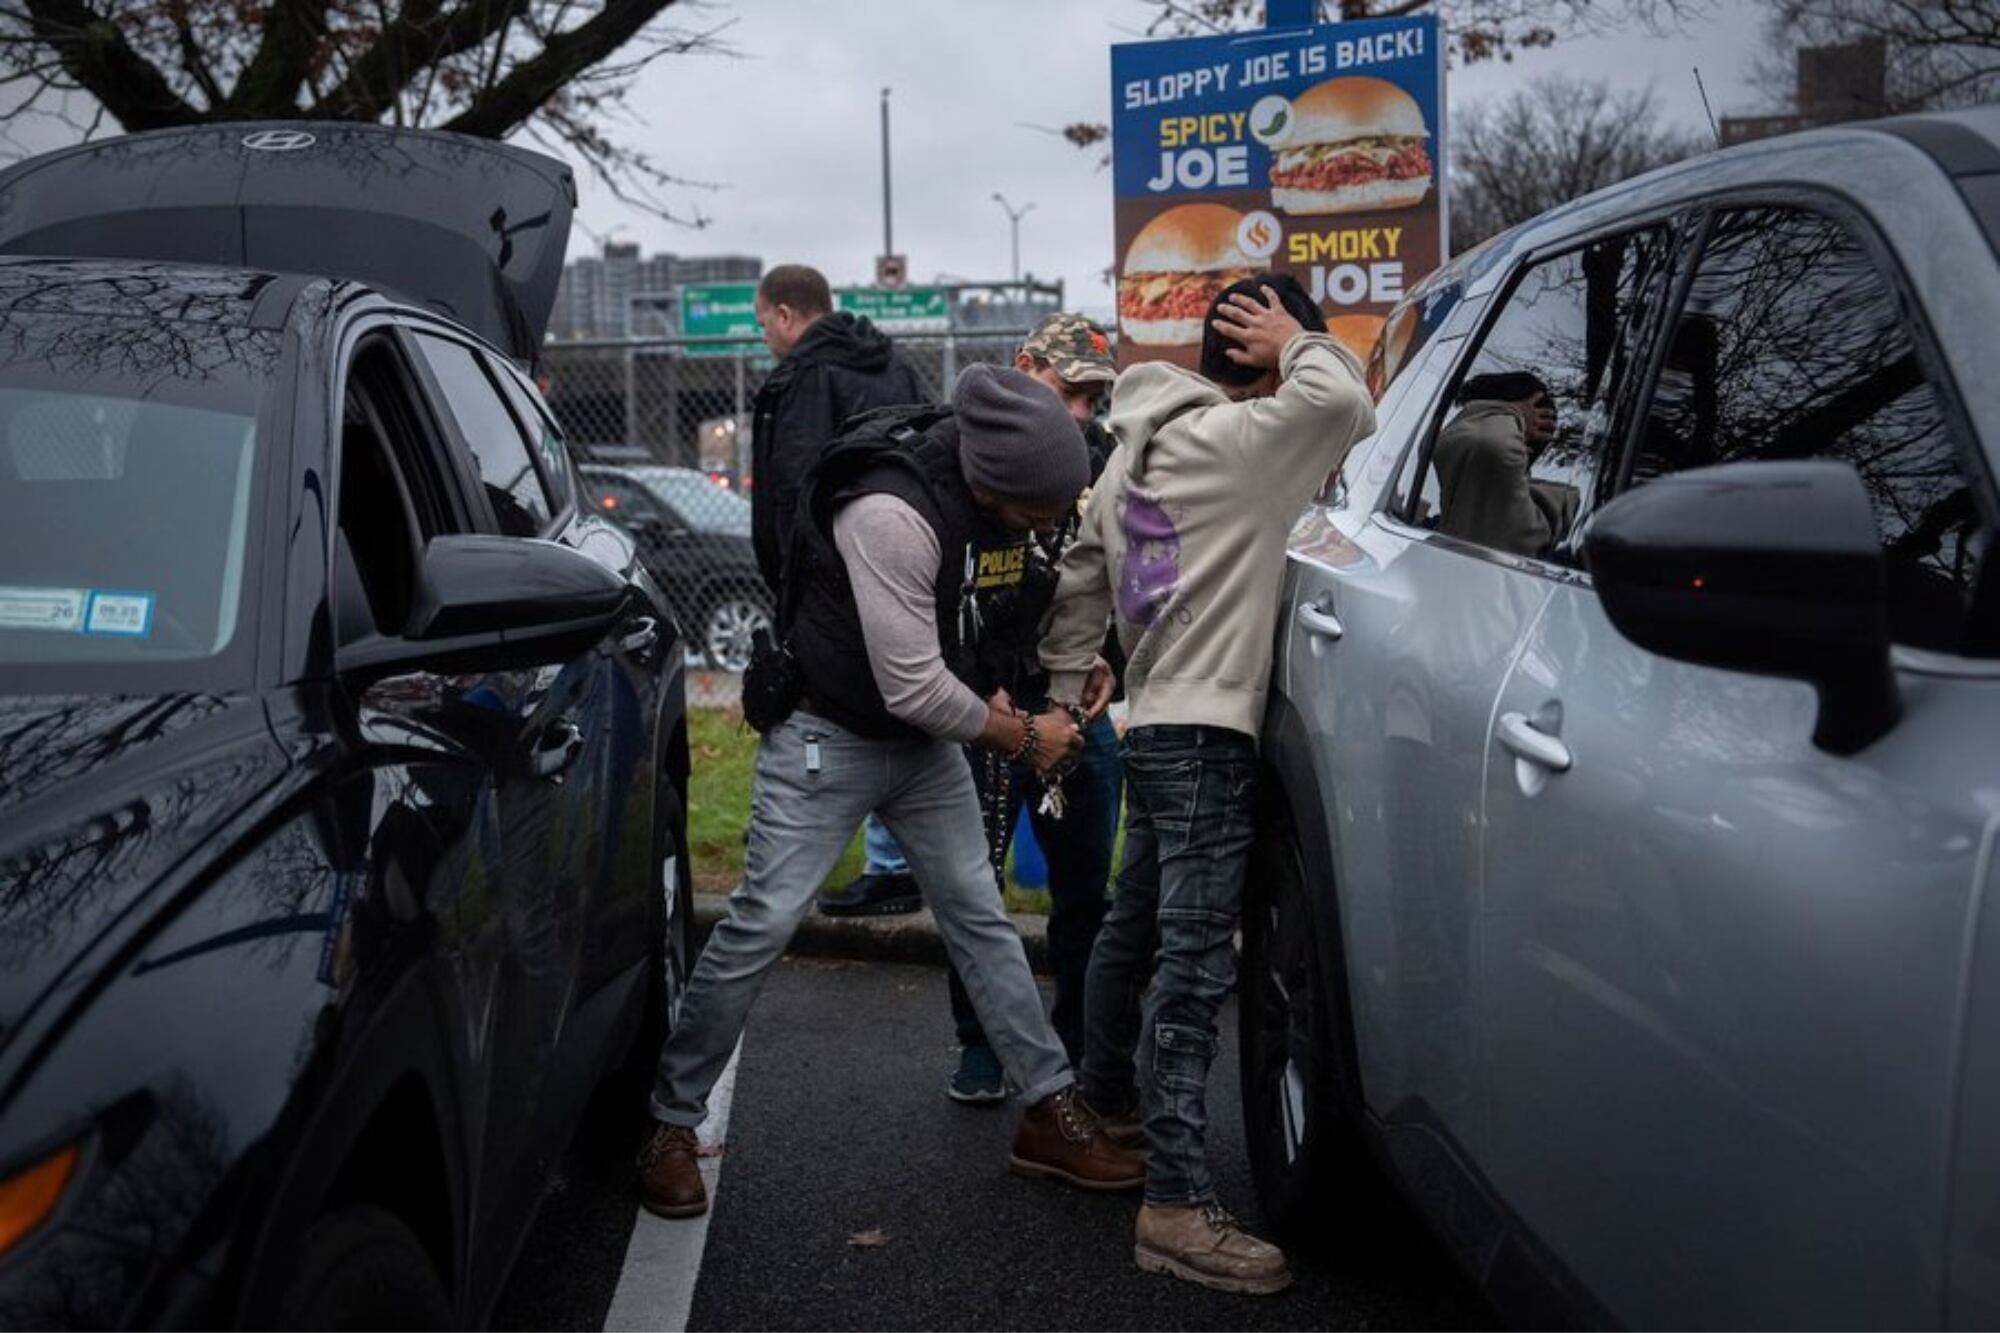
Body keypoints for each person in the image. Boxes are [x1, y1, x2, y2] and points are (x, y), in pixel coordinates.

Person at [637, 364, 1141, 1219]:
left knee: (980, 917)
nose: (1052, 524)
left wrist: (1072, 665)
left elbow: (1001, 610)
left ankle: (1046, 1109)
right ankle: (670, 1123)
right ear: (995, 486)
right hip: (825, 736)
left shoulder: (997, 506)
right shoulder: (890, 513)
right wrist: (1026, 736)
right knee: (760, 922)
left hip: (922, 745)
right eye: (1044, 511)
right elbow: (913, 685)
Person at [1038, 275, 1375, 1295]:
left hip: (1152, 724)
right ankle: (1175, 1204)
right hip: (1209, 727)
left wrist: (1068, 690)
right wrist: (1303, 337)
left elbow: (1077, 596)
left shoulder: (1128, 454)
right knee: (1190, 967)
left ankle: (1102, 1111)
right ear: (1261, 349)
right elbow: (1345, 404)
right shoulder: (1247, 441)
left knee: (1130, 925)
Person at [939, 314, 1124, 1104]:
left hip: (1075, 699)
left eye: (1094, 396)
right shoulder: (973, 452)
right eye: (1069, 390)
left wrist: (1111, 655)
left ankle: (1078, 1043)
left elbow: (1130, 565)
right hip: (995, 704)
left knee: (1086, 884)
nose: (1080, 412)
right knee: (974, 884)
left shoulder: (1110, 458)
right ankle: (980, 1043)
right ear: (1025, 366)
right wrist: (981, 689)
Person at [747, 263, 931, 918]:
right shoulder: (894, 363)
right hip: (905, 562)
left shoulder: (802, 379)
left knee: (820, 712)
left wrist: (795, 577)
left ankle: (834, 857)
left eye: (764, 318)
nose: (763, 331)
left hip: (826, 582)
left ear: (789, 315)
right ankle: (899, 858)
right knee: (899, 704)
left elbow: (794, 485)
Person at [1431, 372, 1577, 558]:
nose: (1449, 429)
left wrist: (1513, 414)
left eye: (1474, 417)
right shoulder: (1455, 521)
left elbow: (1491, 445)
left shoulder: (1530, 517)